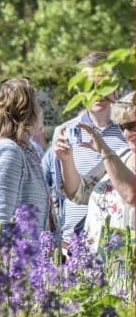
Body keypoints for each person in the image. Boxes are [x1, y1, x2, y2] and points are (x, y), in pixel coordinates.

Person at [53, 92, 135, 282]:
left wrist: (105, 150)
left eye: (132, 126)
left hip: (128, 263)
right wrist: (67, 159)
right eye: (122, 127)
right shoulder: (121, 155)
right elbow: (78, 193)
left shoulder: (112, 156)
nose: (126, 134)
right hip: (99, 261)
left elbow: (131, 195)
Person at [51, 52, 129, 245]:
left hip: (120, 244)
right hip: (76, 244)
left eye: (103, 85)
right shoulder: (66, 132)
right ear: (79, 90)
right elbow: (68, 193)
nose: (97, 92)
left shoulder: (129, 132)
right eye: (89, 86)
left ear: (116, 86)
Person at [0, 77, 50, 229]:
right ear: (26, 111)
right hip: (12, 252)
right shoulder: (8, 151)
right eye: (36, 104)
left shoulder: (27, 148)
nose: (40, 110)